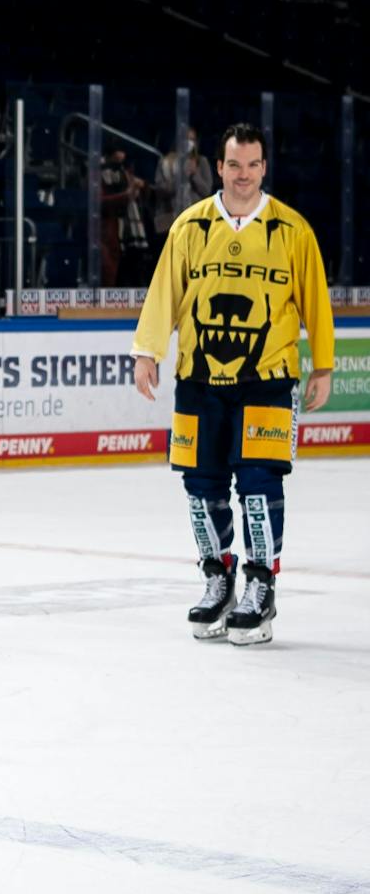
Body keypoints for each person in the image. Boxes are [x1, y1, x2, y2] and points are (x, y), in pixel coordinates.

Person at [132, 123, 335, 646]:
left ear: (264, 168)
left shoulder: (292, 230)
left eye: (253, 165)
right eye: (234, 165)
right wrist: (147, 351)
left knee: (260, 486)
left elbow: (315, 297)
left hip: (268, 380)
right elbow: (164, 292)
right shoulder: (190, 226)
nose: (243, 174)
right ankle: (217, 579)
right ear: (218, 168)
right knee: (201, 488)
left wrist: (324, 366)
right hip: (198, 380)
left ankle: (261, 586)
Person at [152, 126, 214, 237]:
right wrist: (181, 176)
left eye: (192, 139)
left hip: (195, 219)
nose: (189, 143)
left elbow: (206, 191)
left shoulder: (201, 161)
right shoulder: (165, 162)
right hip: (171, 220)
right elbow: (160, 190)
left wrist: (194, 174)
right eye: (186, 139)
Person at [100, 148, 148, 286]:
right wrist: (125, 196)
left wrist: (142, 187)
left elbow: (139, 194)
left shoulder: (126, 172)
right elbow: (99, 202)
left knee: (133, 263)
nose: (122, 155)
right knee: (112, 267)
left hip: (130, 228)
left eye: (123, 152)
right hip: (110, 227)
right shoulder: (99, 173)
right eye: (118, 151)